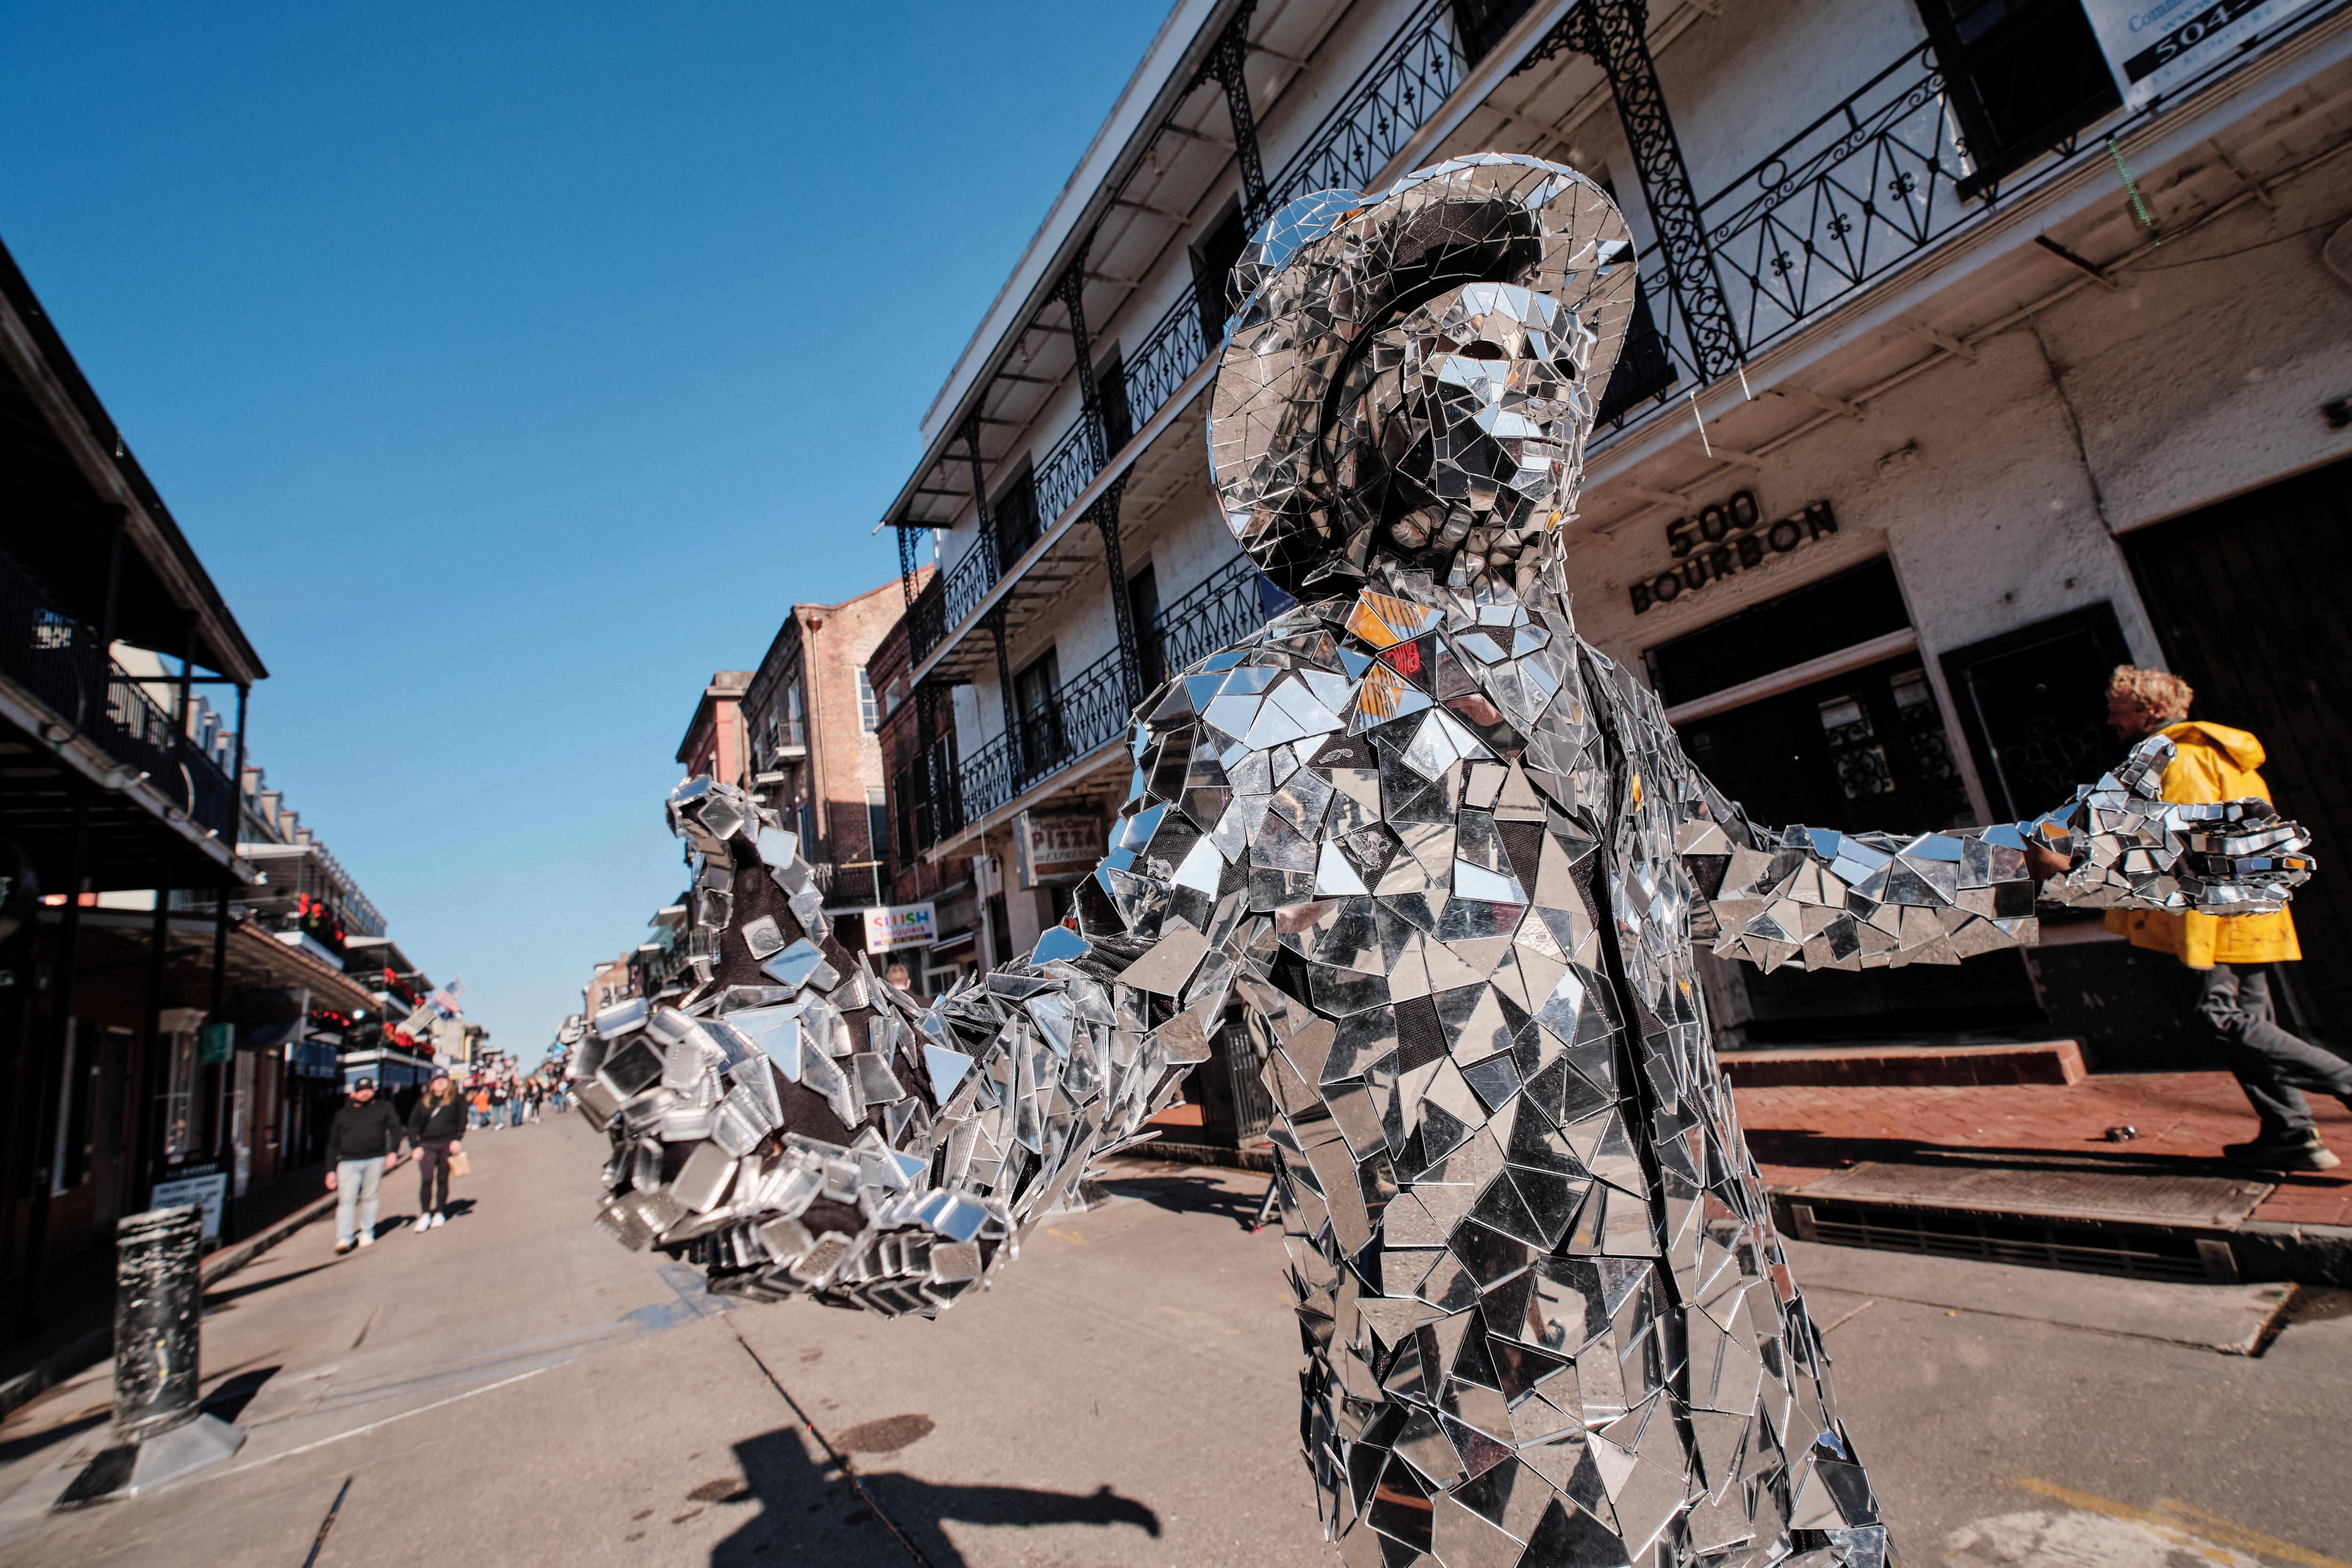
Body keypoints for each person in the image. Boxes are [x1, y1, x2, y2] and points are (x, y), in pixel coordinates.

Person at [581, 160, 2309, 1568]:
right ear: (1364, 436)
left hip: (1766, 1425)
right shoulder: (1262, 715)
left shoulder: (1615, 717)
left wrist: (2059, 859)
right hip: (1504, 1474)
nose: (1535, 380)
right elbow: (1101, 1013)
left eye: (1543, 351)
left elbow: (1788, 888)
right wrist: (852, 1100)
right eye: (1474, 355)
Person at [2101, 665, 2350, 1169]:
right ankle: (2289, 1130)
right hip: (2245, 910)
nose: (2110, 719)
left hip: (2212, 913)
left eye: (2117, 708)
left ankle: (2343, 1083)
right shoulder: (2220, 757)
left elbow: (2193, 844)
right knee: (2249, 1020)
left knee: (2216, 1016)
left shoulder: (2180, 758)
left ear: (2150, 709)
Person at [322, 1077, 405, 1255]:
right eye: (361, 1090)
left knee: (371, 1196)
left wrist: (393, 1152)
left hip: (375, 1159)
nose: (365, 1093)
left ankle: (367, 1231)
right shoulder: (343, 1114)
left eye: (368, 1089)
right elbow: (333, 1144)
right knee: (346, 1200)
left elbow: (396, 1129)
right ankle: (344, 1237)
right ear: (353, 1093)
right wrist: (331, 1171)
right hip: (347, 1162)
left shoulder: (384, 1108)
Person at [408, 1072, 467, 1229]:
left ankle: (440, 1212)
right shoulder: (424, 1101)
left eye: (443, 1080)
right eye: (437, 1080)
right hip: (427, 1144)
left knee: (443, 1178)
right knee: (427, 1179)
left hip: (447, 1143)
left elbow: (462, 1119)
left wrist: (457, 1139)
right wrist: (415, 1146)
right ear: (431, 1084)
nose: (440, 1083)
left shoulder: (457, 1099)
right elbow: (413, 1124)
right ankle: (426, 1214)